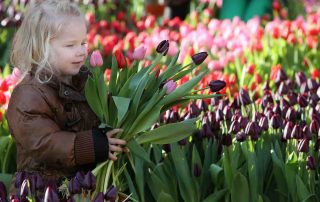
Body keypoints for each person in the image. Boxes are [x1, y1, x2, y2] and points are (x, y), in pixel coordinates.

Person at [6, 0, 127, 197]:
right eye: (71, 45)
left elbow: (100, 113)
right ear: (41, 48)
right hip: (44, 189)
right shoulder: (27, 95)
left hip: (82, 186)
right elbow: (44, 143)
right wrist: (90, 145)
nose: (81, 51)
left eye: (83, 43)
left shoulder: (85, 81)